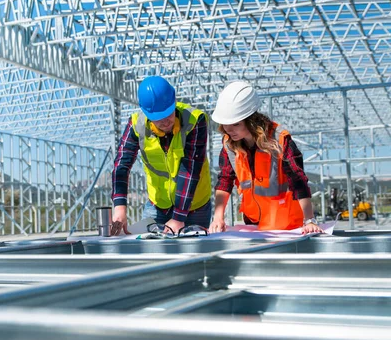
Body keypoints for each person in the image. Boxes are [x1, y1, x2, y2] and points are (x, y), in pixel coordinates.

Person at [208, 81, 323, 234]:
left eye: (235, 124)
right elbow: (225, 180)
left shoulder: (280, 140)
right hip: (254, 225)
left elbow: (298, 180)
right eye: (225, 124)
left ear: (250, 120)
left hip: (287, 226)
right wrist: (218, 217)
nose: (228, 130)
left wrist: (309, 220)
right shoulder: (229, 144)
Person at [110, 76, 212, 236]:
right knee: (148, 249)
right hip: (157, 205)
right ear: (146, 113)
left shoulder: (194, 121)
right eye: (158, 118)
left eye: (168, 114)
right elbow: (121, 165)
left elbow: (190, 169)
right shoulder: (137, 124)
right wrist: (119, 206)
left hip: (194, 205)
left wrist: (178, 217)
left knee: (194, 254)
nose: (165, 122)